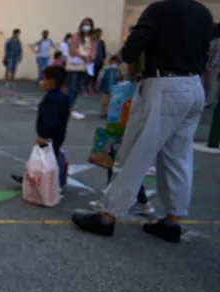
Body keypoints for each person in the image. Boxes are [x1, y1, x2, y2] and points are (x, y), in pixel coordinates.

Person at [71, 0, 212, 243]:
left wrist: (130, 50)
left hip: (163, 86)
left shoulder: (158, 9)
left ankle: (107, 216)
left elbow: (131, 50)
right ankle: (173, 220)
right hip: (193, 85)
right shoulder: (203, 13)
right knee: (178, 157)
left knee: (135, 151)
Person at [10, 66, 70, 185]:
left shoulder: (52, 98)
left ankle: (45, 183)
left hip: (50, 136)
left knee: (45, 160)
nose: (42, 83)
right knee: (48, 159)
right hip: (59, 134)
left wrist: (44, 136)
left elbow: (50, 120)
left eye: (44, 79)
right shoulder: (62, 97)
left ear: (52, 81)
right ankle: (40, 180)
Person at [67, 17, 98, 120]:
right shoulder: (76, 36)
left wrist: (90, 57)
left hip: (85, 66)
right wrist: (83, 56)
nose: (87, 26)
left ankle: (71, 106)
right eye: (85, 24)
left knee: (78, 88)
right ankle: (69, 108)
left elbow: (93, 51)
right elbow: (72, 50)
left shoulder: (93, 38)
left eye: (89, 24)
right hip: (75, 65)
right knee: (72, 87)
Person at [90, 28, 107, 94]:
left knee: (97, 74)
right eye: (98, 33)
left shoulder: (101, 42)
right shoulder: (92, 41)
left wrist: (103, 59)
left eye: (100, 33)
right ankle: (91, 87)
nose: (99, 34)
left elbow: (103, 51)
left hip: (99, 61)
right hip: (92, 61)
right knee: (92, 75)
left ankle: (95, 87)